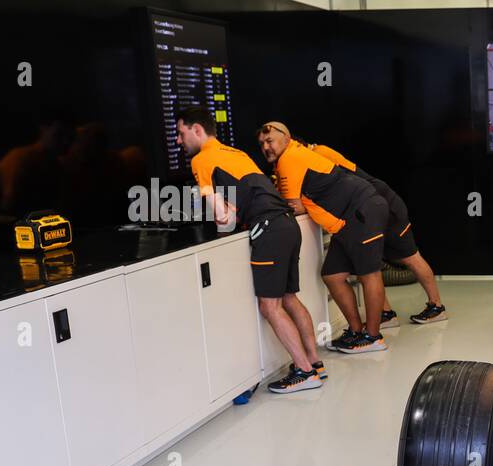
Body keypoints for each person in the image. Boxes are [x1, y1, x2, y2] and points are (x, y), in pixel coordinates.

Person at [175, 107, 323, 394]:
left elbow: (223, 216)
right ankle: (315, 364)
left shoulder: (202, 160)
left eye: (181, 133)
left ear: (196, 130)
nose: (179, 141)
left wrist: (221, 238)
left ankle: (304, 372)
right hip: (287, 224)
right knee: (289, 298)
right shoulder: (236, 154)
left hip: (268, 228)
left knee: (270, 306)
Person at [256, 121, 388, 354]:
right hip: (346, 221)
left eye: (270, 141)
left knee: (369, 273)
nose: (266, 147)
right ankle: (357, 332)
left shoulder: (289, 158)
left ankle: (373, 337)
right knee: (333, 275)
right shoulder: (292, 156)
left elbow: (293, 206)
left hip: (362, 209)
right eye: (262, 144)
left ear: (287, 138)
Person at [303, 141, 446, 326]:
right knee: (368, 265)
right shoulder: (309, 161)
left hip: (381, 202)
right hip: (366, 210)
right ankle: (385, 313)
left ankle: (436, 307)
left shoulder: (319, 153)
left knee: (410, 256)